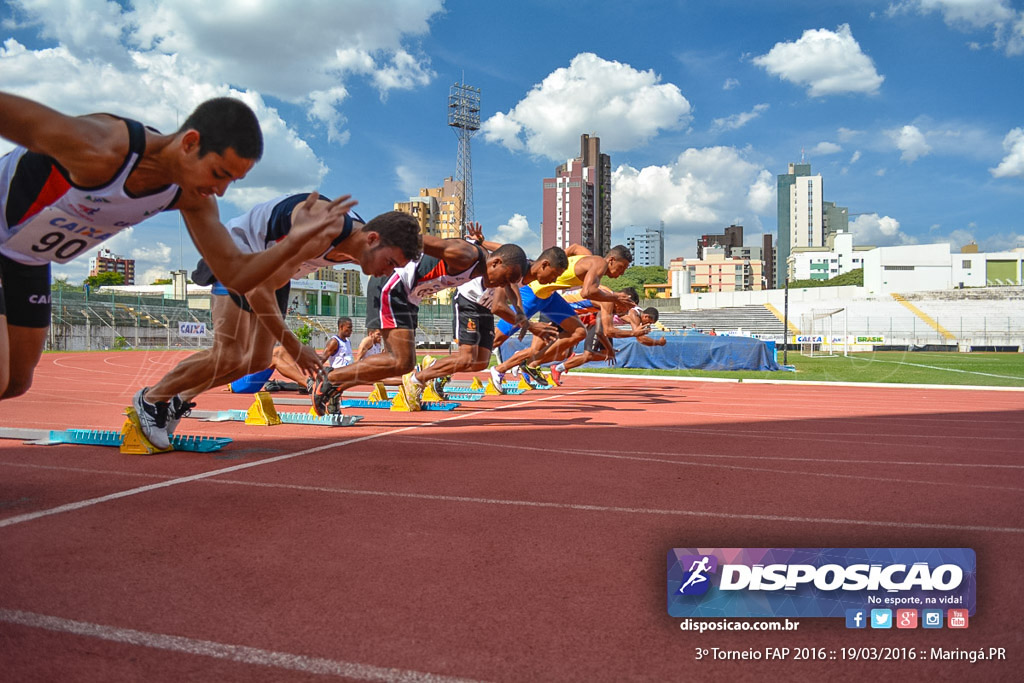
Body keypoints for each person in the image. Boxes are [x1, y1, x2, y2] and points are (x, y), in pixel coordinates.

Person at [0, 91, 351, 401]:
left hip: (27, 259)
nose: (222, 191)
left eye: (233, 181)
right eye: (219, 173)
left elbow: (235, 274)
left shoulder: (190, 196)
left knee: (16, 382)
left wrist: (295, 242)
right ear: (189, 143)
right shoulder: (103, 146)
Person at [132, 197, 422, 448]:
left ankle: (177, 398)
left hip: (276, 271)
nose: (388, 272)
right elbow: (257, 288)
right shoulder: (322, 230)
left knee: (257, 359)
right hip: (239, 253)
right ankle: (151, 399)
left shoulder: (365, 240)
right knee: (229, 353)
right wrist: (295, 347)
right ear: (373, 239)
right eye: (391, 262)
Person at [309, 220, 528, 415]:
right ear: (496, 262)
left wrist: (519, 312)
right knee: (400, 360)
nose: (500, 286)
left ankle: (335, 383)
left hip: (411, 296)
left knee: (403, 364)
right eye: (504, 279)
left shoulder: (489, 271)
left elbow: (508, 285)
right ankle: (331, 379)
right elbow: (415, 240)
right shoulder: (465, 255)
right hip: (393, 283)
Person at [407, 245, 568, 400]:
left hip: (485, 307)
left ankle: (433, 368)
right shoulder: (516, 266)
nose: (554, 280)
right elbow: (498, 306)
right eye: (555, 275)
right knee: (466, 358)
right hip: (468, 301)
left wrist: (520, 312)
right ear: (545, 265)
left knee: (480, 362)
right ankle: (417, 379)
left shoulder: (524, 270)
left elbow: (513, 289)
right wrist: (531, 326)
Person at [487, 244, 634, 392]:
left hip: (550, 297)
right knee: (496, 340)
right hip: (534, 293)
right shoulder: (600, 263)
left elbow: (575, 247)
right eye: (622, 267)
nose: (621, 273)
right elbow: (587, 292)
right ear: (612, 260)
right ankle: (474, 352)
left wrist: (558, 260)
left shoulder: (587, 256)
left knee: (578, 332)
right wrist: (615, 297)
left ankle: (530, 362)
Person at [547, 287, 657, 385]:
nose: (625, 311)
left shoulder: (615, 305)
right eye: (625, 308)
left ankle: (570, 359)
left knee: (605, 355)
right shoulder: (622, 308)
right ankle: (554, 367)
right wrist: (638, 335)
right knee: (584, 354)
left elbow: (609, 329)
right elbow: (604, 331)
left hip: (595, 321)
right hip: (567, 312)